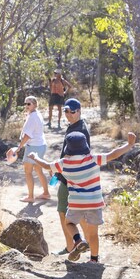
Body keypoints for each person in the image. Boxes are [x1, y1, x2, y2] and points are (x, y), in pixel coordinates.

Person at [31, 130, 136, 263]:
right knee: (93, 234)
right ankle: (94, 259)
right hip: (94, 203)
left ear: (67, 148)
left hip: (76, 203)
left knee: (69, 223)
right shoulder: (93, 159)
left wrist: (35, 157)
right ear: (85, 146)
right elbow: (113, 154)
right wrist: (129, 145)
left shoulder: (64, 163)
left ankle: (78, 240)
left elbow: (46, 166)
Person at [52, 98, 91, 256]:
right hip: (67, 177)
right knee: (68, 213)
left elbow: (77, 157)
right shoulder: (75, 126)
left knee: (68, 213)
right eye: (66, 111)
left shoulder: (80, 129)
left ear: (79, 111)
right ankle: (74, 246)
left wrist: (60, 169)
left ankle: (78, 246)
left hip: (71, 179)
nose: (68, 114)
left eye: (72, 111)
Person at [6, 96, 50, 203]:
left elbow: (27, 135)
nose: (26, 106)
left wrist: (19, 147)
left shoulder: (32, 117)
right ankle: (46, 193)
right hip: (40, 145)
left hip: (33, 147)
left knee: (28, 171)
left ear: (35, 104)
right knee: (39, 171)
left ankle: (30, 196)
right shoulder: (36, 114)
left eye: (29, 104)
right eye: (25, 104)